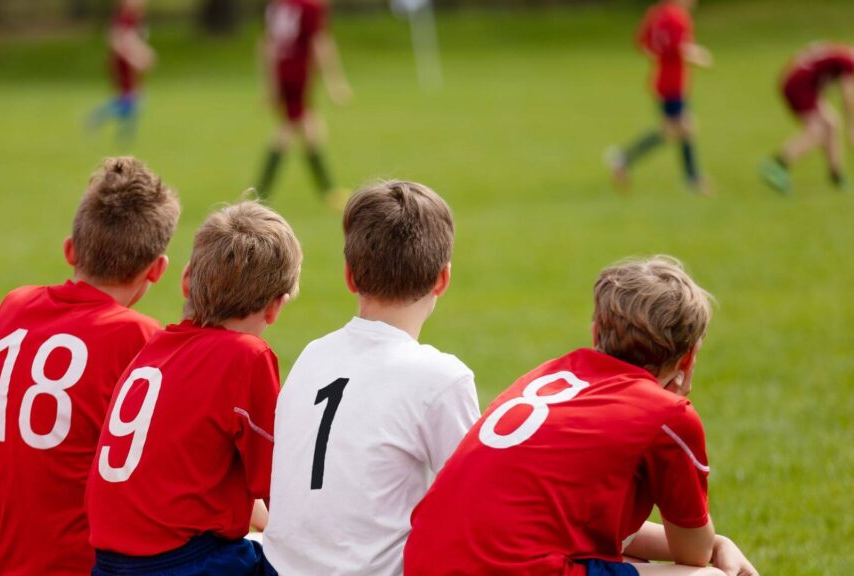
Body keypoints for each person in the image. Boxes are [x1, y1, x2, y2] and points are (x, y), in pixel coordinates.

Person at [404, 256, 760, 576]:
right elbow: (693, 553)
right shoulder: (668, 414)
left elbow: (600, 530)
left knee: (631, 564)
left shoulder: (550, 375)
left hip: (424, 561)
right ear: (688, 358)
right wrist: (714, 548)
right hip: (510, 569)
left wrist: (720, 543)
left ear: (595, 332)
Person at [262, 180, 480, 575]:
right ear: (442, 279)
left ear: (349, 276)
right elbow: (480, 513)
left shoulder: (313, 354)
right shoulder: (442, 379)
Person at [0, 157, 180, 575]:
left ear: (70, 249)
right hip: (85, 564)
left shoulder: (14, 307)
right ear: (158, 269)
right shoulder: (137, 337)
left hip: (10, 558)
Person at [85, 201, 302, 576]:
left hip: (108, 564)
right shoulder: (245, 355)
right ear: (275, 308)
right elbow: (280, 489)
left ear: (186, 279)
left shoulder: (154, 348)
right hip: (183, 564)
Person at [606, 0, 713, 194]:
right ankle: (624, 159)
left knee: (679, 129)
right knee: (679, 128)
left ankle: (691, 177)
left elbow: (642, 44)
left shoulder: (656, 13)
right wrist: (701, 57)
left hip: (661, 80)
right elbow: (682, 49)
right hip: (674, 84)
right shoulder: (679, 18)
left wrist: (662, 57)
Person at [255, 0, 353, 207]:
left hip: (283, 72)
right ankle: (259, 193)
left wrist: (270, 84)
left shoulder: (278, 5)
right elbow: (320, 43)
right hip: (298, 73)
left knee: (310, 130)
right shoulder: (311, 7)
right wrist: (335, 83)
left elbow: (267, 44)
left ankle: (328, 190)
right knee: (287, 131)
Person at [761, 43, 854, 194]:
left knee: (831, 123)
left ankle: (836, 176)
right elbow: (848, 96)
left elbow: (807, 58)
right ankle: (778, 165)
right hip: (799, 87)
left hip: (799, 84)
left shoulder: (839, 51)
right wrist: (851, 127)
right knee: (817, 131)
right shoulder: (849, 61)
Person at [86, 0, 157, 143]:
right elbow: (118, 41)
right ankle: (99, 117)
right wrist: (135, 58)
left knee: (134, 98)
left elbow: (136, 40)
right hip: (123, 62)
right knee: (131, 98)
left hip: (129, 62)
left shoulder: (135, 17)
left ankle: (125, 135)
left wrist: (145, 53)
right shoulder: (123, 18)